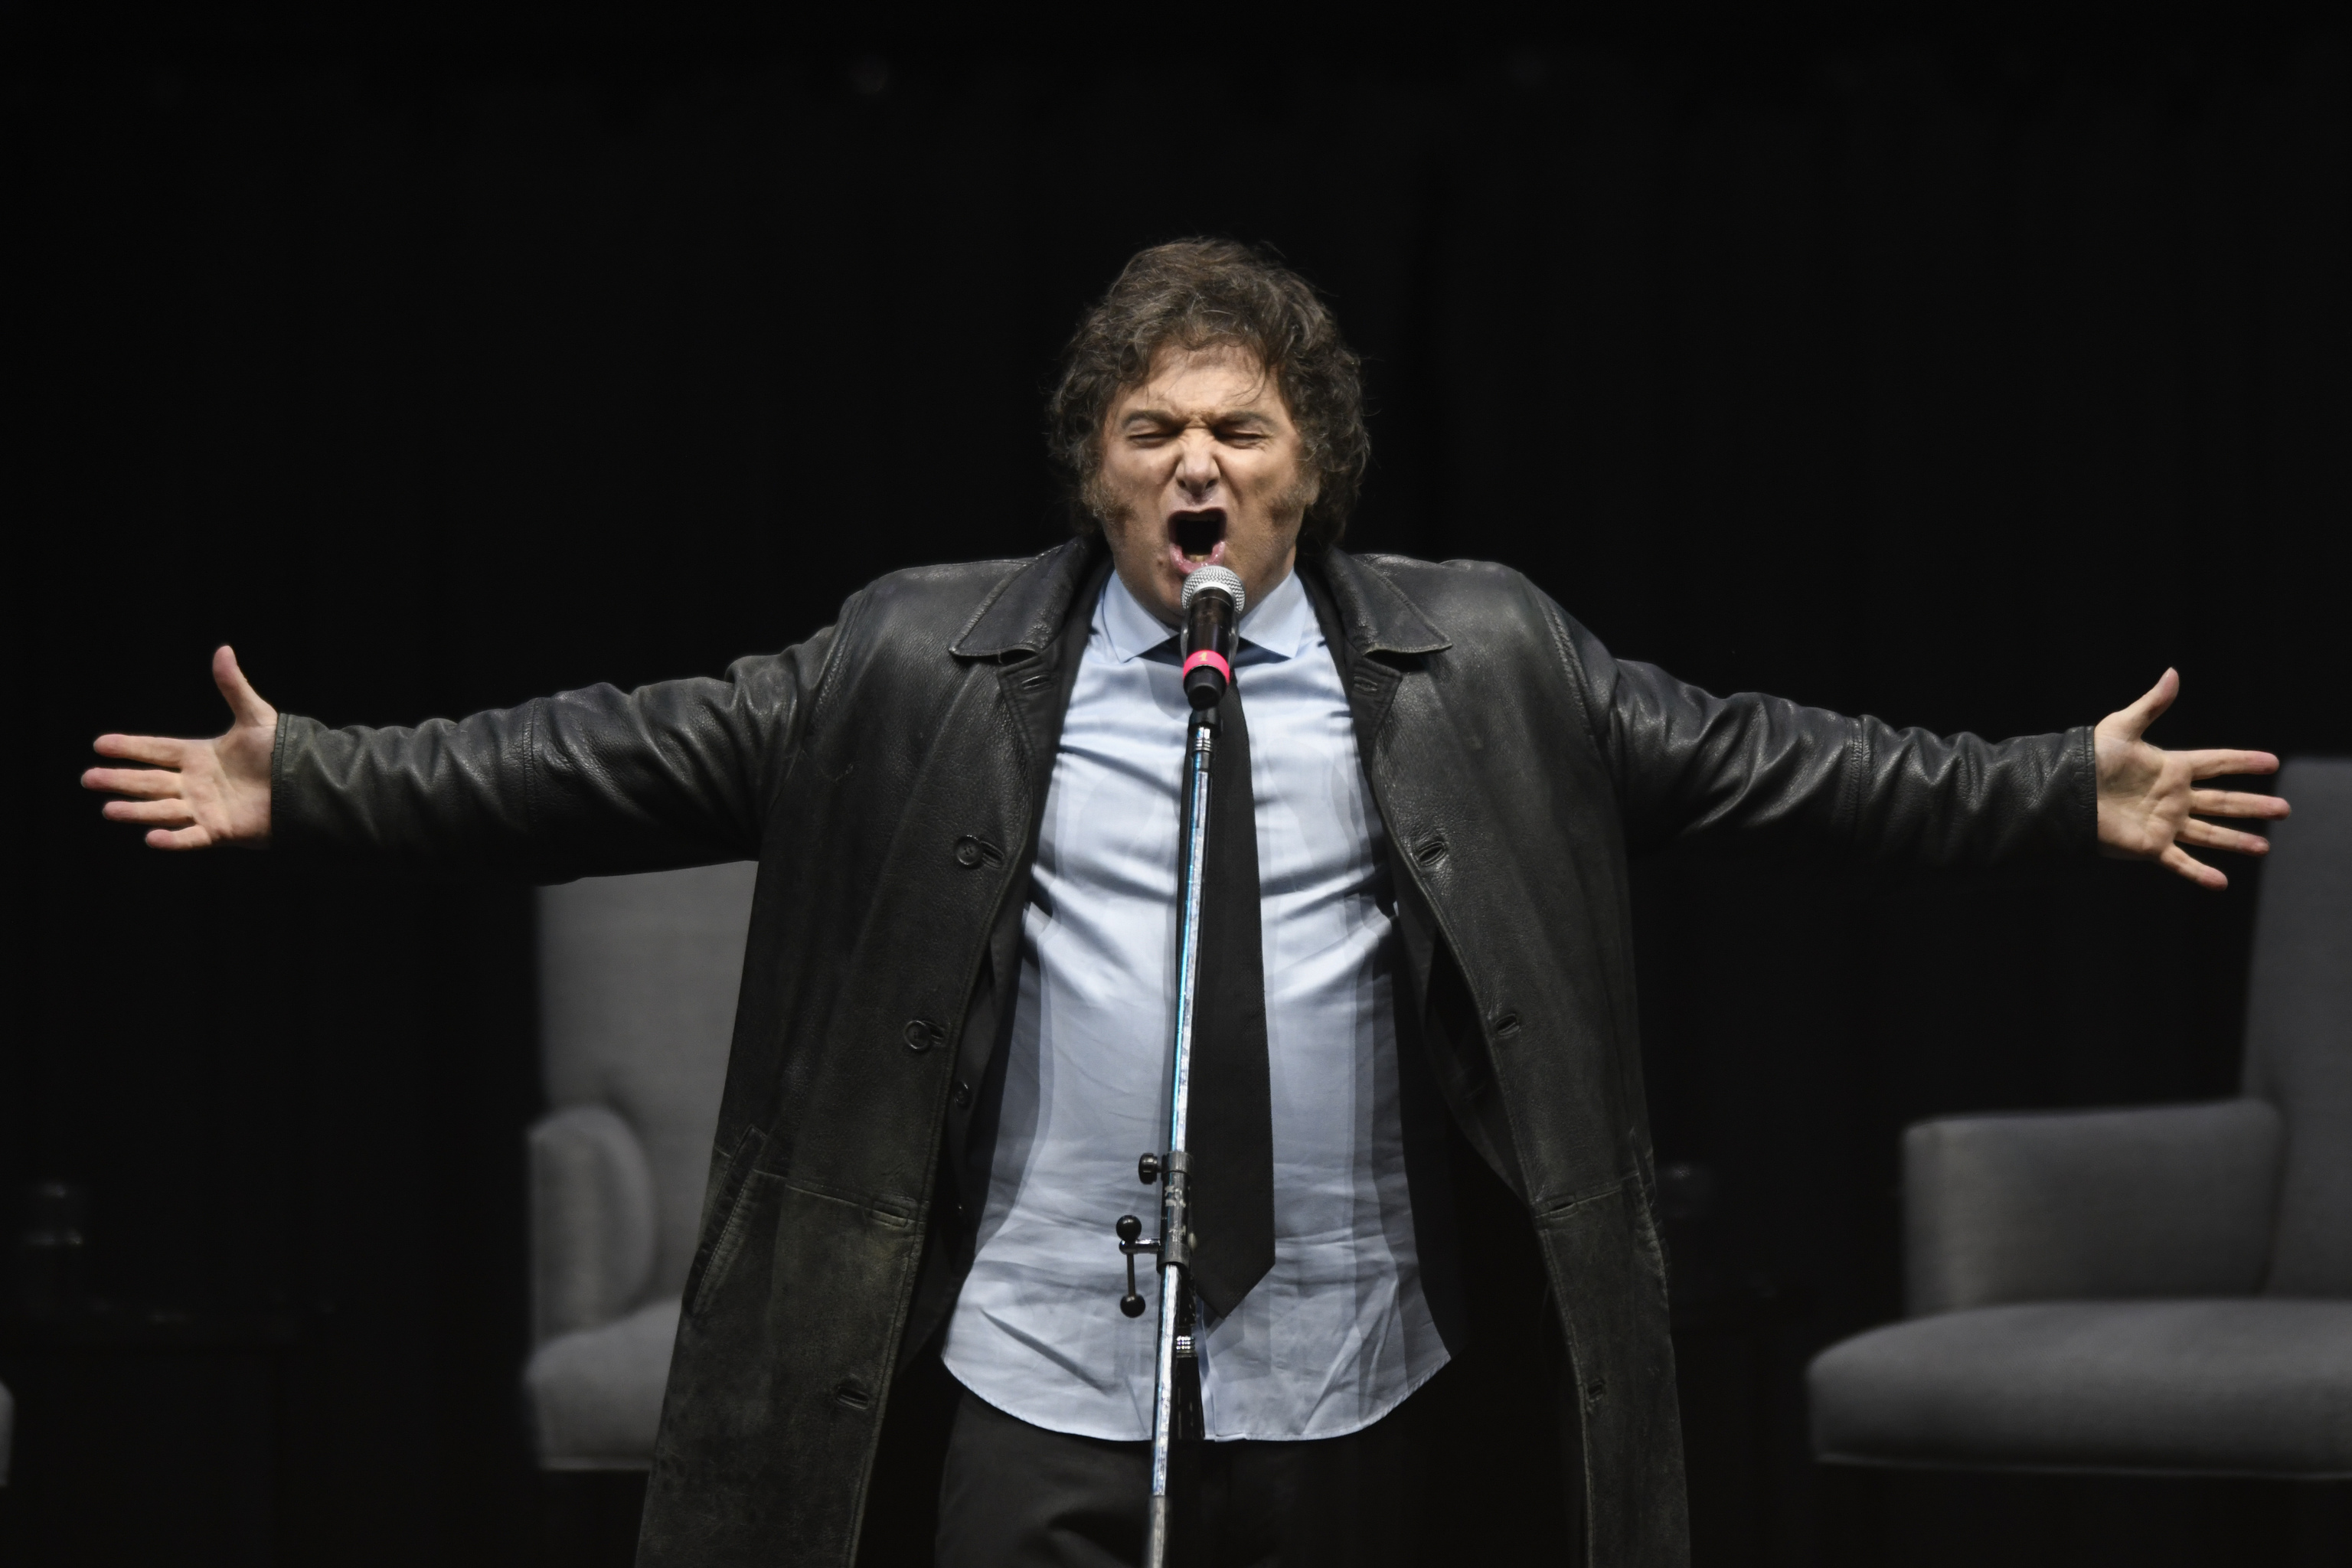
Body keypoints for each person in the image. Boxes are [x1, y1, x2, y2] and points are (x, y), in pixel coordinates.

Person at [84, 240, 2285, 1568]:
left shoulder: (1485, 653)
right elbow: (612, 746)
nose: (1195, 466)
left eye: (1235, 424)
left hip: (1356, 1359)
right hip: (1038, 1361)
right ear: (1094, 467)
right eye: (1149, 430)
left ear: (1310, 459)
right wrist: (327, 780)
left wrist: (2037, 790)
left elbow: (1777, 760)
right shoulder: (911, 659)